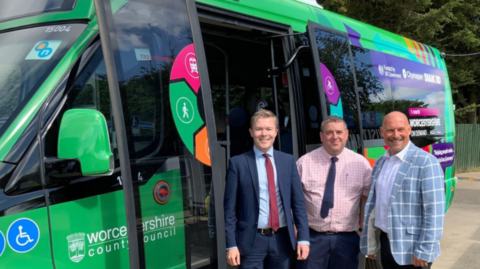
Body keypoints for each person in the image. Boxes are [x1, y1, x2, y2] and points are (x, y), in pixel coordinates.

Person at [224, 109, 310, 269]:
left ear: (276, 132)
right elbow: (229, 211)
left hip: (282, 241)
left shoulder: (288, 161)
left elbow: (298, 204)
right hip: (251, 241)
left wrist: (303, 239)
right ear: (251, 132)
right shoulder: (237, 164)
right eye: (259, 129)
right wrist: (231, 245)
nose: (264, 134)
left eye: (269, 129)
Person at [360, 111, 445, 269]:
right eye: (390, 130)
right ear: (382, 132)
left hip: (413, 249)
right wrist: (371, 242)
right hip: (387, 244)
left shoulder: (426, 162)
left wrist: (424, 251)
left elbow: (435, 212)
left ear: (409, 130)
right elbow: (375, 206)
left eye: (401, 129)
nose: (396, 135)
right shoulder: (380, 162)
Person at [296, 115, 372, 269]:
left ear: (346, 134)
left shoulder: (361, 163)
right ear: (321, 136)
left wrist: (363, 230)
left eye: (339, 132)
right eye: (329, 132)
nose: (334, 137)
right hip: (312, 238)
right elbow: (294, 200)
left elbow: (367, 199)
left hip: (347, 239)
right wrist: (297, 231)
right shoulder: (304, 162)